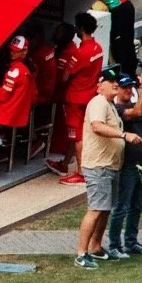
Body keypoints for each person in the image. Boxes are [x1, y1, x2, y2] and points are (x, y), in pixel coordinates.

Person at [74, 72, 134, 270]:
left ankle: (96, 247)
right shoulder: (98, 102)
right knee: (96, 209)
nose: (116, 84)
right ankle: (82, 253)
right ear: (100, 85)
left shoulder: (109, 105)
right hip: (98, 165)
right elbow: (97, 127)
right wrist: (123, 135)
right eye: (112, 82)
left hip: (110, 165)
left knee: (105, 208)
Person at [106, 68, 142, 258]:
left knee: (137, 206)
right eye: (124, 88)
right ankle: (115, 245)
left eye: (130, 87)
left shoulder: (134, 104)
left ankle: (131, 242)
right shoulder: (118, 110)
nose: (128, 91)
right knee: (122, 207)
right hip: (127, 165)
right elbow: (137, 111)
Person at [51, 14, 105, 182]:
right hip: (89, 96)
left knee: (78, 136)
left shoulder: (80, 53)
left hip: (75, 99)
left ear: (81, 29)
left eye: (76, 26)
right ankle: (66, 162)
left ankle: (80, 173)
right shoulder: (98, 48)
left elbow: (64, 77)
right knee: (76, 134)